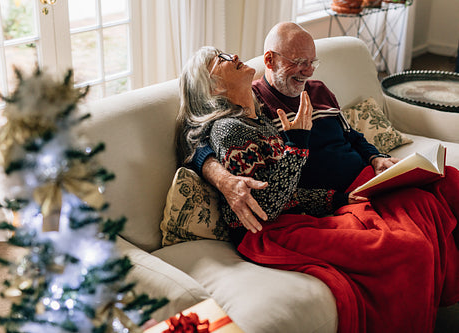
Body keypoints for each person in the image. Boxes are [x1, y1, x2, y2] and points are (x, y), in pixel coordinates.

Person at [177, 46, 459, 333]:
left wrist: (336, 198)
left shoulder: (257, 116)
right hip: (271, 233)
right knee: (407, 247)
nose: (234, 56)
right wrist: (296, 144)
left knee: (425, 205)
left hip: (298, 217)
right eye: (221, 60)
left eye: (312, 61)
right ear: (213, 87)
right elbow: (267, 208)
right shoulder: (230, 128)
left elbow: (286, 192)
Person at [191, 22, 400, 233]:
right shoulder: (251, 106)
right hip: (330, 202)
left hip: (364, 181)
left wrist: (376, 158)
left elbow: (351, 136)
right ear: (269, 60)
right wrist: (220, 177)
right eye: (300, 62)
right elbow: (199, 131)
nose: (308, 71)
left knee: (430, 191)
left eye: (312, 62)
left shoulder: (318, 90)